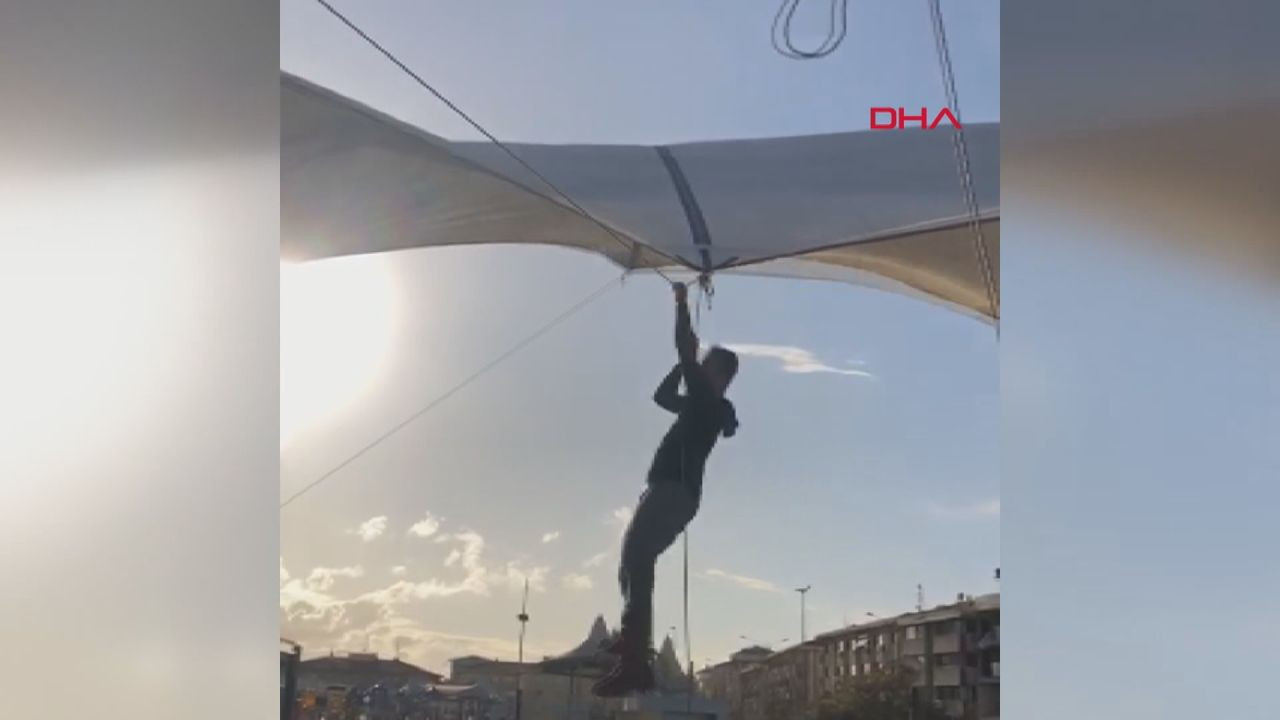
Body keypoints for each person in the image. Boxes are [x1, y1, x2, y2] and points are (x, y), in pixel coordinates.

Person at [593, 281, 740, 697]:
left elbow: (682, 346)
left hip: (673, 491)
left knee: (638, 560)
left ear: (718, 375)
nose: (699, 370)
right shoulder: (700, 404)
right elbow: (661, 396)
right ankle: (633, 644)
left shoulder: (708, 403)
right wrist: (684, 365)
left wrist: (680, 305)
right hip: (669, 492)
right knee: (632, 562)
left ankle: (636, 660)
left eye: (705, 366)